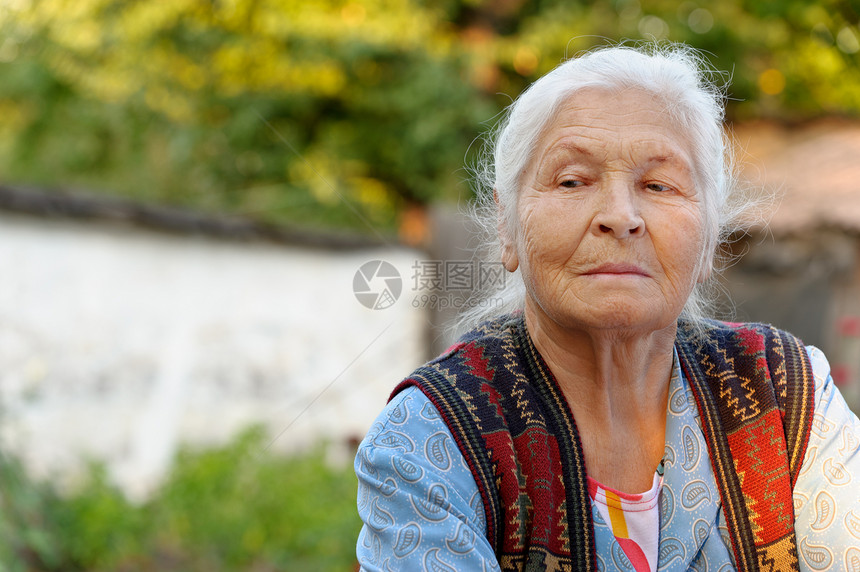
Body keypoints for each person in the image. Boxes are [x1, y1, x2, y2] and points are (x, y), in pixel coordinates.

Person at [354, 43, 860, 571]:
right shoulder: (431, 435)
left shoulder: (781, 389)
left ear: (710, 237)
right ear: (507, 226)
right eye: (572, 181)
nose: (621, 217)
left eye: (658, 184)